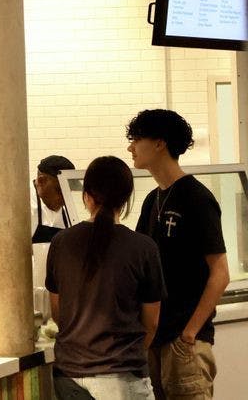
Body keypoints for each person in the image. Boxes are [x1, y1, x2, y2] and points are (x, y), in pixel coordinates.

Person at [128, 109, 229, 399]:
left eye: (136, 139)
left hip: (184, 343)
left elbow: (220, 273)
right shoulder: (152, 200)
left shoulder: (197, 197)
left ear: (160, 143)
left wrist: (189, 333)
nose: (130, 147)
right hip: (154, 339)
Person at [46, 155, 165, 400]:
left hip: (68, 375)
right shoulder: (143, 248)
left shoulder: (61, 243)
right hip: (121, 376)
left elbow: (58, 312)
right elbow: (151, 324)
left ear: (86, 195)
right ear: (126, 199)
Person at [32, 154, 75, 243]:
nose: (65, 198)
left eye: (68, 191)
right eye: (60, 190)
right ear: (41, 181)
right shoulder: (24, 204)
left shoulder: (69, 211)